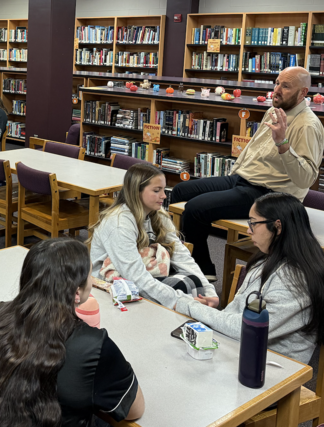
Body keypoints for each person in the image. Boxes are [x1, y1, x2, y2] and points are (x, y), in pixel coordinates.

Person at [0, 239, 145, 426]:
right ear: (76, 292)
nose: (91, 280)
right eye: (89, 275)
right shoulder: (93, 345)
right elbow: (134, 410)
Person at [169, 66, 324, 281]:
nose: (277, 90)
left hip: (269, 193)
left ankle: (202, 269)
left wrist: (283, 144)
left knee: (195, 209)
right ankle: (180, 256)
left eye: (285, 86)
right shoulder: (273, 111)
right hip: (242, 179)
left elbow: (306, 178)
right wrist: (235, 174)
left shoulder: (308, 125)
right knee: (179, 191)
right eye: (277, 83)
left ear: (303, 93)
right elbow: (253, 148)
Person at [175, 193, 324, 364]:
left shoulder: (295, 279)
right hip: (239, 349)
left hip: (269, 367)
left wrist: (190, 306)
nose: (248, 230)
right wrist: (217, 309)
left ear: (278, 227)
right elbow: (243, 314)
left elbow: (246, 328)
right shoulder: (269, 258)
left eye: (253, 223)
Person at [88, 163, 218, 309]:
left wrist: (210, 291)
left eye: (163, 189)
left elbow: (182, 256)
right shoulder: (119, 223)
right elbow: (135, 277)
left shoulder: (157, 213)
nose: (164, 196)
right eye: (157, 190)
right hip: (108, 286)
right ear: (137, 192)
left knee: (192, 283)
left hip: (142, 272)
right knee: (184, 289)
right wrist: (177, 302)